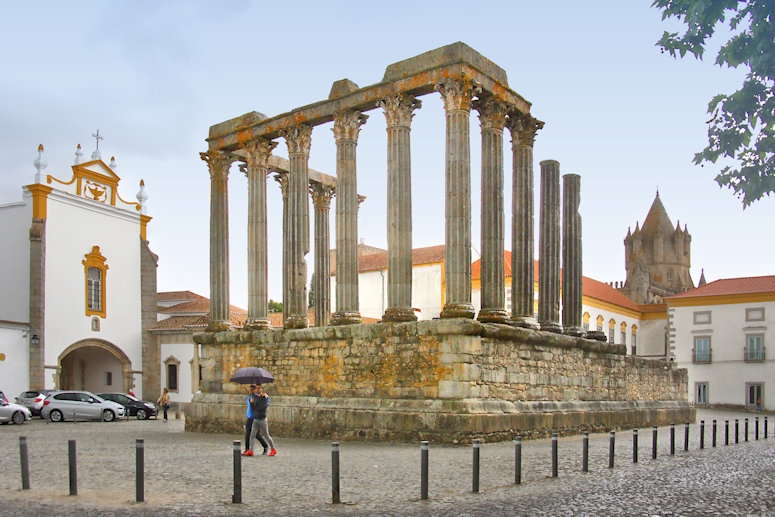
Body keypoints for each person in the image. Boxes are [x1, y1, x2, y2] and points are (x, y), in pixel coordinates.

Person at [250, 384, 277, 456]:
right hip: (256, 419)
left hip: (262, 419)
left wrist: (260, 400)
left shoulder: (265, 397)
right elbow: (253, 409)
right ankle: (251, 450)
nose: (258, 390)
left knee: (266, 435)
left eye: (259, 388)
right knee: (252, 435)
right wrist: (251, 403)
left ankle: (273, 449)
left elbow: (263, 407)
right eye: (256, 388)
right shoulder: (254, 397)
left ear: (262, 389)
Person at [242, 384, 267, 456]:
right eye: (249, 389)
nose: (250, 391)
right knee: (247, 434)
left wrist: (253, 402)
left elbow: (259, 406)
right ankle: (247, 449)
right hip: (249, 417)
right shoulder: (250, 397)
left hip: (255, 418)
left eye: (251, 389)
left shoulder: (258, 398)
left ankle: (265, 446)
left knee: (256, 435)